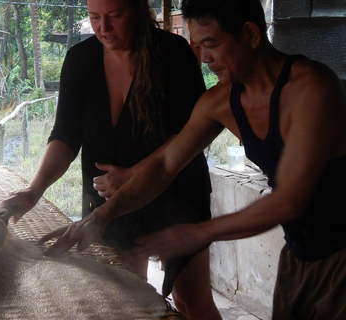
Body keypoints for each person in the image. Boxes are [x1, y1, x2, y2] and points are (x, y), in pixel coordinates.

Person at [38, 0, 346, 319]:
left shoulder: (312, 88)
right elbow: (163, 165)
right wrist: (100, 217)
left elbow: (290, 200)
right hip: (298, 256)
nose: (204, 58)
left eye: (211, 44)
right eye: (198, 46)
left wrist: (200, 232)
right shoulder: (221, 101)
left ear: (251, 34)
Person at [0, 0, 222, 318]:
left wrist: (132, 175)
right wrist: (35, 190)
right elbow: (65, 135)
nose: (104, 27)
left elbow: (190, 132)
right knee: (126, 301)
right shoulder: (80, 60)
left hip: (178, 191)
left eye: (115, 16)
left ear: (137, 9)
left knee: (191, 300)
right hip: (109, 200)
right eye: (94, 17)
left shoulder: (172, 53)